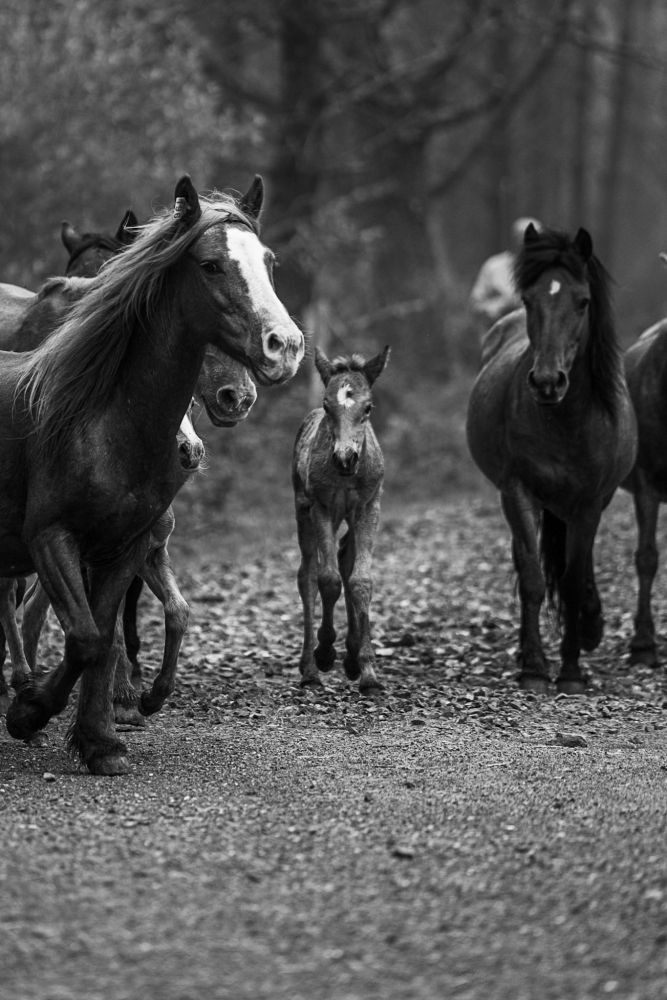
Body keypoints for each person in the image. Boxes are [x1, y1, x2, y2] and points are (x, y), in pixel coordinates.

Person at [468, 217, 542, 341]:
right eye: (525, 236)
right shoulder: (494, 266)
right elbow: (475, 306)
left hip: (535, 340)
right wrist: (497, 306)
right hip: (501, 339)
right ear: (514, 238)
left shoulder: (547, 270)